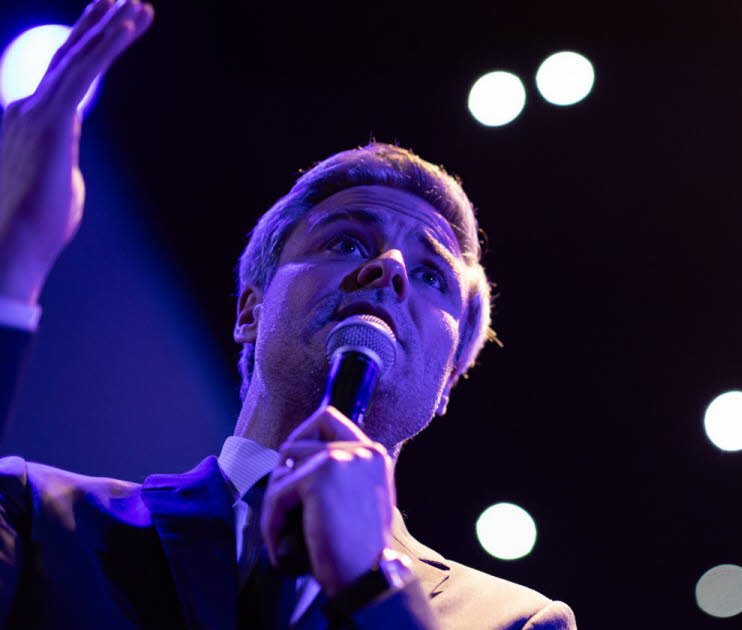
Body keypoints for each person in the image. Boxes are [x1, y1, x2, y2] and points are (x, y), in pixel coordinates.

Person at [0, 1, 576, 628]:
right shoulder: (42, 521)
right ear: (250, 309)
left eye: (432, 275)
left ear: (449, 380)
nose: (389, 268)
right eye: (346, 242)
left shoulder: (516, 620)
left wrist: (372, 583)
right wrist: (12, 261)